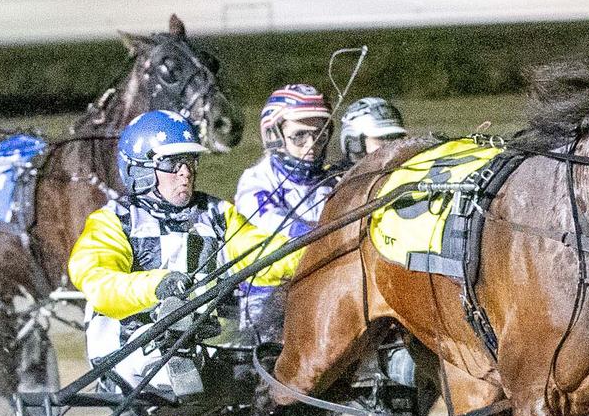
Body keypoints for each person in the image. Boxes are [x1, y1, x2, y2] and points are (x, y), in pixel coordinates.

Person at [68, 109, 300, 389]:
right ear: (140, 169)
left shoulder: (217, 213)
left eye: (190, 161)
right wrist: (158, 285)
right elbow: (99, 282)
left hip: (209, 344)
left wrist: (307, 253)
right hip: (130, 354)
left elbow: (257, 253)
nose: (186, 173)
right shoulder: (113, 221)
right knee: (175, 348)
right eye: (172, 164)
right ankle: (182, 359)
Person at [234, 84, 339, 331]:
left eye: (320, 135)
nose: (311, 145)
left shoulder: (332, 180)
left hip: (324, 284)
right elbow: (267, 219)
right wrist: (314, 233)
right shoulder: (257, 178)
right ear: (274, 135)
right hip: (267, 292)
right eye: (299, 135)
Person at [337, 96, 408, 168]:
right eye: (381, 139)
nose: (390, 144)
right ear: (354, 145)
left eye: (396, 138)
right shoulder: (336, 177)